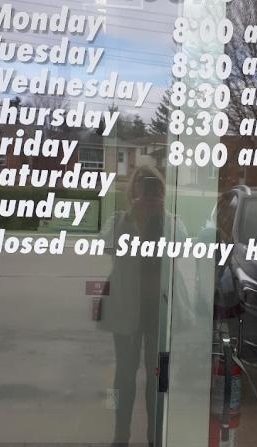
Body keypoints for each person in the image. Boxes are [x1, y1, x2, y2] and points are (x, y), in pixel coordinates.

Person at [97, 164, 187, 447]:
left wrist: (161, 215)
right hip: (125, 306)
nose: (147, 191)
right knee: (124, 374)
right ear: (132, 190)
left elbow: (182, 246)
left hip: (158, 310)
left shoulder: (172, 221)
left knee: (158, 375)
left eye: (153, 186)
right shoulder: (120, 219)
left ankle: (155, 436)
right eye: (142, 184)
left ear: (161, 191)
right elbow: (104, 244)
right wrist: (133, 219)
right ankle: (120, 434)